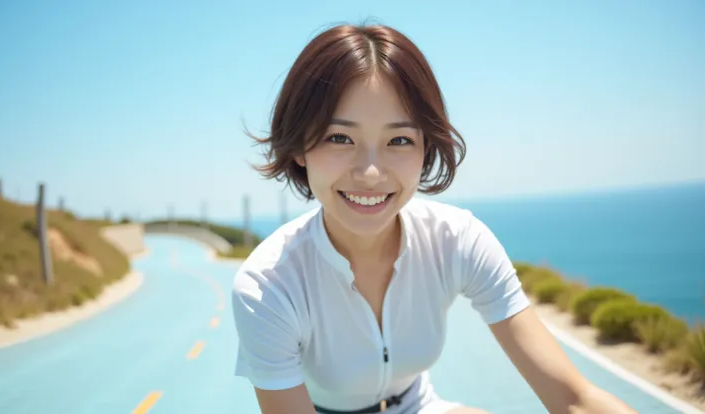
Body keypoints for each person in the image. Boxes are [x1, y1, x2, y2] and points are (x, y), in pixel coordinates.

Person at [231, 23, 637, 414]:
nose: (371, 173)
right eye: (340, 138)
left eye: (399, 140)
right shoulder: (268, 286)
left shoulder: (457, 239)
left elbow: (574, 400)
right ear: (299, 146)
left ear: (427, 148)